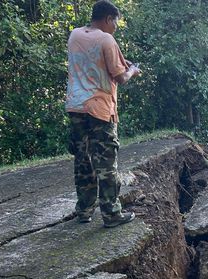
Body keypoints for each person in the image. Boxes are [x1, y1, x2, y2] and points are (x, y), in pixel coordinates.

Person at [65, 0, 141, 228]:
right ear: (108, 18)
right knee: (106, 163)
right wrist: (133, 71)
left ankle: (84, 211)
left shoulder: (75, 35)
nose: (116, 27)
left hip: (76, 107)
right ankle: (111, 214)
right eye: (115, 22)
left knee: (83, 161)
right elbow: (120, 77)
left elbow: (93, 61)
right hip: (99, 109)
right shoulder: (107, 39)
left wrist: (120, 62)